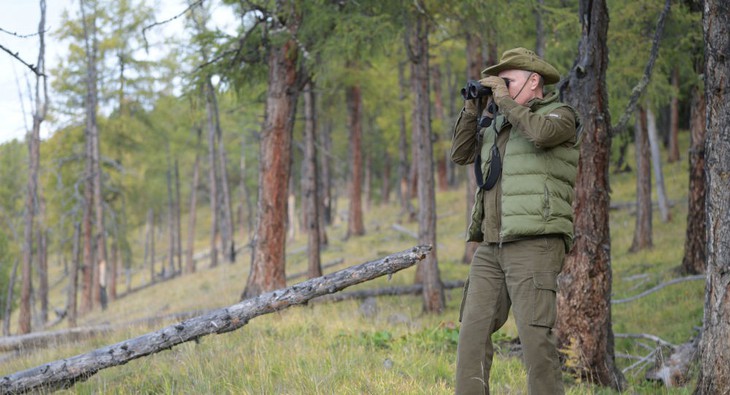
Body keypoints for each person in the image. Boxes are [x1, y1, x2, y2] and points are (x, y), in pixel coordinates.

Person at [450, 47, 581, 395]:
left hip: (536, 243)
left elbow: (539, 134)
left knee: (536, 341)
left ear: (534, 80)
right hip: (492, 244)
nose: (500, 88)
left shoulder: (560, 115)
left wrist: (505, 101)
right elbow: (460, 154)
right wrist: (471, 108)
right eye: (498, 83)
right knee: (472, 335)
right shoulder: (499, 123)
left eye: (507, 80)